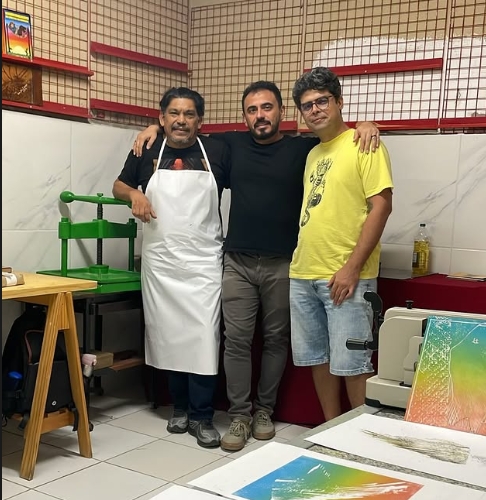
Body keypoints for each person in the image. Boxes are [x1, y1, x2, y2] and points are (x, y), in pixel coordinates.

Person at [133, 82, 380, 452]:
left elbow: (336, 135)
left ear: (282, 111)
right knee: (236, 340)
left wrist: (365, 124)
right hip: (237, 261)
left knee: (276, 340)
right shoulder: (229, 145)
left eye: (267, 107)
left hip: (285, 263)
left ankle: (264, 412)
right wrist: (154, 128)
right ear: (244, 116)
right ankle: (239, 415)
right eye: (252, 110)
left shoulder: (303, 148)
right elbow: (183, 130)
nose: (260, 115)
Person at [112, 87, 231, 449]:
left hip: (203, 261)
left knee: (203, 338)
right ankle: (179, 408)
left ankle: (202, 415)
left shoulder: (218, 151)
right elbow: (118, 186)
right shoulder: (147, 150)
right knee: (170, 335)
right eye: (174, 114)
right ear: (162, 118)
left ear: (200, 120)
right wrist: (135, 194)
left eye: (189, 114)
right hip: (162, 261)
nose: (182, 121)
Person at [289, 67, 393, 422]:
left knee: (353, 363)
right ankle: (330, 430)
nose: (315, 110)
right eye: (307, 105)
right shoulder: (313, 154)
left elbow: (382, 206)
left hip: (346, 275)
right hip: (304, 272)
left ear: (339, 102)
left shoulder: (365, 144)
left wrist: (352, 268)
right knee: (317, 359)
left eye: (322, 101)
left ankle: (359, 438)